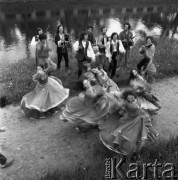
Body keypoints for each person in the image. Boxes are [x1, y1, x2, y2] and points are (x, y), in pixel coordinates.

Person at [99, 90, 159, 156]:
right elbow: (122, 110)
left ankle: (141, 144)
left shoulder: (137, 105)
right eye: (128, 99)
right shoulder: (126, 105)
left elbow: (140, 113)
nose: (130, 100)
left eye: (132, 98)